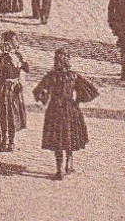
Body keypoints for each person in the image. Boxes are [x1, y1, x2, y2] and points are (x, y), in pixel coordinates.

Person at [32, 48, 98, 179]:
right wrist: (78, 101)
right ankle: (69, 163)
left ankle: (59, 169)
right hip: (70, 108)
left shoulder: (51, 76)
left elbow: (38, 91)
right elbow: (90, 91)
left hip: (55, 109)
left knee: (57, 139)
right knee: (69, 136)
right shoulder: (73, 75)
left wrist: (45, 98)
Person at [0, 32, 29, 151]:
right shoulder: (0, 56)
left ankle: (11, 141)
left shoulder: (18, 56)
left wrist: (20, 78)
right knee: (2, 114)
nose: (15, 44)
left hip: (14, 89)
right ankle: (3, 140)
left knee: (12, 115)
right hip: (2, 88)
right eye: (12, 42)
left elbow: (26, 69)